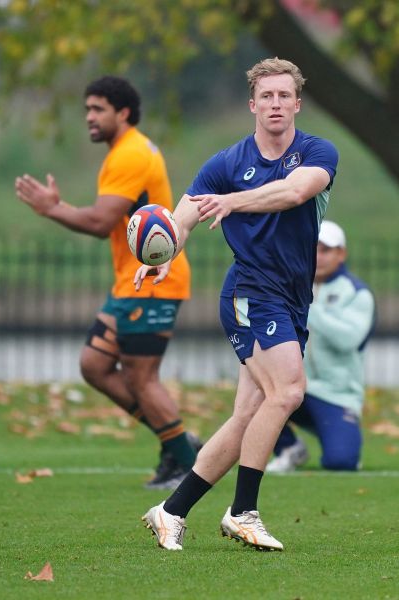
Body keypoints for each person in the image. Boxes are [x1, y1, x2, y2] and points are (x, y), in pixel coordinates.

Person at [137, 58, 339, 551]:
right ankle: (242, 511)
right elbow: (181, 218)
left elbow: (295, 192)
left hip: (291, 298)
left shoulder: (317, 152)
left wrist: (234, 201)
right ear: (253, 105)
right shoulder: (226, 163)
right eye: (266, 96)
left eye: (283, 96)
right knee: (289, 392)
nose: (275, 104)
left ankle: (171, 510)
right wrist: (165, 253)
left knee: (250, 414)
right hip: (251, 293)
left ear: (297, 103)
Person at [15, 75, 199, 489]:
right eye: (87, 110)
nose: (89, 118)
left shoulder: (130, 154)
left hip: (154, 281)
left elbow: (100, 222)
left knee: (141, 378)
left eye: (97, 109)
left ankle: (186, 461)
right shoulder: (124, 150)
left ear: (123, 112)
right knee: (94, 365)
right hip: (130, 283)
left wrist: (52, 208)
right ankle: (176, 442)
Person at [266, 220, 375, 473]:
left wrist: (309, 305)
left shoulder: (357, 293)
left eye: (326, 250)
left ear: (341, 254)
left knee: (341, 462)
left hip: (338, 396)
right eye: (313, 248)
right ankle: (288, 447)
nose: (318, 256)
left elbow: (349, 340)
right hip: (295, 387)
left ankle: (335, 429)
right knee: (256, 387)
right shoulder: (289, 285)